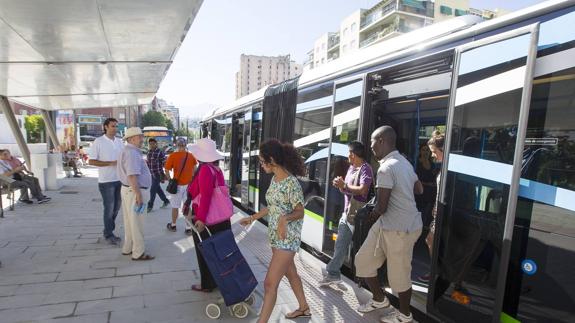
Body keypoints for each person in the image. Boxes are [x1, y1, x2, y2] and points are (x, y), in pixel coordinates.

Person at [354, 126, 423, 323]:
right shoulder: (404, 163)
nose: (371, 146)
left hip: (400, 228)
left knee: (398, 276)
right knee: (363, 260)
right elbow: (418, 189)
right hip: (388, 224)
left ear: (382, 141)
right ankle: (379, 299)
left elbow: (381, 207)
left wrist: (368, 216)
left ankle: (405, 315)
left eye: (373, 141)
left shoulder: (385, 168)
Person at [239, 139, 311, 322]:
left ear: (271, 159)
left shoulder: (291, 183)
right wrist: (252, 218)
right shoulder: (275, 179)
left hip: (287, 239)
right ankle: (304, 308)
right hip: (275, 237)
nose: (261, 165)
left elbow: (300, 211)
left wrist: (284, 220)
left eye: (262, 162)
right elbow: (272, 206)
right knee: (291, 273)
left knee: (270, 284)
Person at [319, 141, 373, 286]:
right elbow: (348, 190)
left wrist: (345, 185)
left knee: (349, 246)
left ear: (353, 154)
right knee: (341, 244)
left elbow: (363, 190)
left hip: (356, 215)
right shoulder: (351, 168)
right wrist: (340, 185)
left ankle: (334, 273)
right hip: (347, 212)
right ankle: (335, 273)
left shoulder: (365, 169)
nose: (347, 156)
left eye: (349, 153)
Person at [186, 138, 231, 292]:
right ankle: (220, 280)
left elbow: (205, 196)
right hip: (220, 217)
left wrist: (201, 219)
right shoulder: (215, 169)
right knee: (219, 252)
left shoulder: (205, 170)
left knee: (205, 252)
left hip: (208, 218)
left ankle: (207, 284)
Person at [117, 127, 154, 261]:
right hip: (134, 191)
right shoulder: (132, 153)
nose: (142, 139)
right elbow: (132, 175)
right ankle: (138, 252)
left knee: (130, 222)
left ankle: (129, 247)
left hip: (128, 190)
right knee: (137, 222)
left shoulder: (127, 150)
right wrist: (138, 195)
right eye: (139, 137)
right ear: (132, 138)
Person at [89, 118, 124, 245]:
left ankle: (108, 230)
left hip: (119, 180)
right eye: (113, 126)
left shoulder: (120, 142)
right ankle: (109, 234)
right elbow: (91, 161)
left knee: (116, 208)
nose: (115, 129)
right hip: (106, 181)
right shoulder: (98, 142)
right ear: (105, 127)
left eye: (116, 126)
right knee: (109, 208)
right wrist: (110, 163)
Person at [418, 132, 444, 283]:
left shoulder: (446, 168)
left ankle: (436, 271)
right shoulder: (442, 166)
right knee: (430, 240)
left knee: (430, 240)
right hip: (437, 209)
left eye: (434, 152)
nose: (433, 155)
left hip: (441, 211)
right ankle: (436, 271)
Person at [164, 138, 197, 233]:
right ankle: (188, 228)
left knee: (175, 206)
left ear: (177, 145)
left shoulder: (172, 156)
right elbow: (195, 170)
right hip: (188, 186)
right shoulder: (191, 156)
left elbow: (166, 170)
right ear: (185, 145)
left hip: (176, 186)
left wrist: (170, 180)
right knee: (187, 206)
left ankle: (173, 225)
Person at [146, 138, 170, 212]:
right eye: (150, 144)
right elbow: (148, 163)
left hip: (158, 174)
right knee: (157, 189)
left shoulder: (160, 152)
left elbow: (165, 163)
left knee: (153, 189)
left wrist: (166, 174)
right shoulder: (149, 152)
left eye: (153, 144)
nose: (151, 145)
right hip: (151, 174)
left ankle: (150, 205)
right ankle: (166, 201)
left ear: (156, 144)